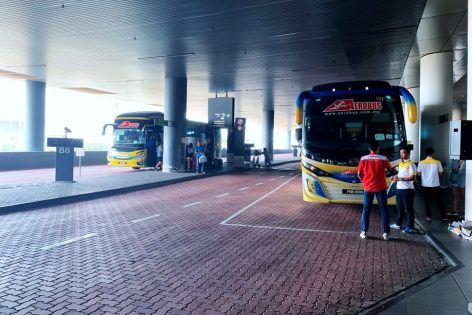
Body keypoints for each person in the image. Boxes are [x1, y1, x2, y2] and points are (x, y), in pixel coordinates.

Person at [357, 140, 392, 241]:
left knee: (366, 210)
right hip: (381, 187)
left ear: (369, 149)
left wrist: (365, 182)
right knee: (384, 210)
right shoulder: (383, 158)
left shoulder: (363, 159)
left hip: (368, 188)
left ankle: (364, 232)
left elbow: (359, 173)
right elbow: (390, 170)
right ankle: (386, 233)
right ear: (378, 148)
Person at [390, 147, 417, 233]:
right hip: (399, 188)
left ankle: (411, 227)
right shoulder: (401, 163)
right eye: (401, 153)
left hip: (407, 190)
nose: (402, 154)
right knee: (399, 208)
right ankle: (398, 224)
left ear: (408, 154)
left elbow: (413, 177)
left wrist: (400, 179)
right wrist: (395, 177)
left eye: (404, 153)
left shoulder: (411, 164)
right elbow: (400, 174)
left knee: (408, 209)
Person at [416, 147, 447, 221]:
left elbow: (419, 174)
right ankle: (443, 216)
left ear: (426, 153)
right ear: (433, 153)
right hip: (435, 184)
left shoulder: (421, 162)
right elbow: (440, 173)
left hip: (425, 185)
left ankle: (428, 216)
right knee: (439, 201)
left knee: (427, 201)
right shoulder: (437, 162)